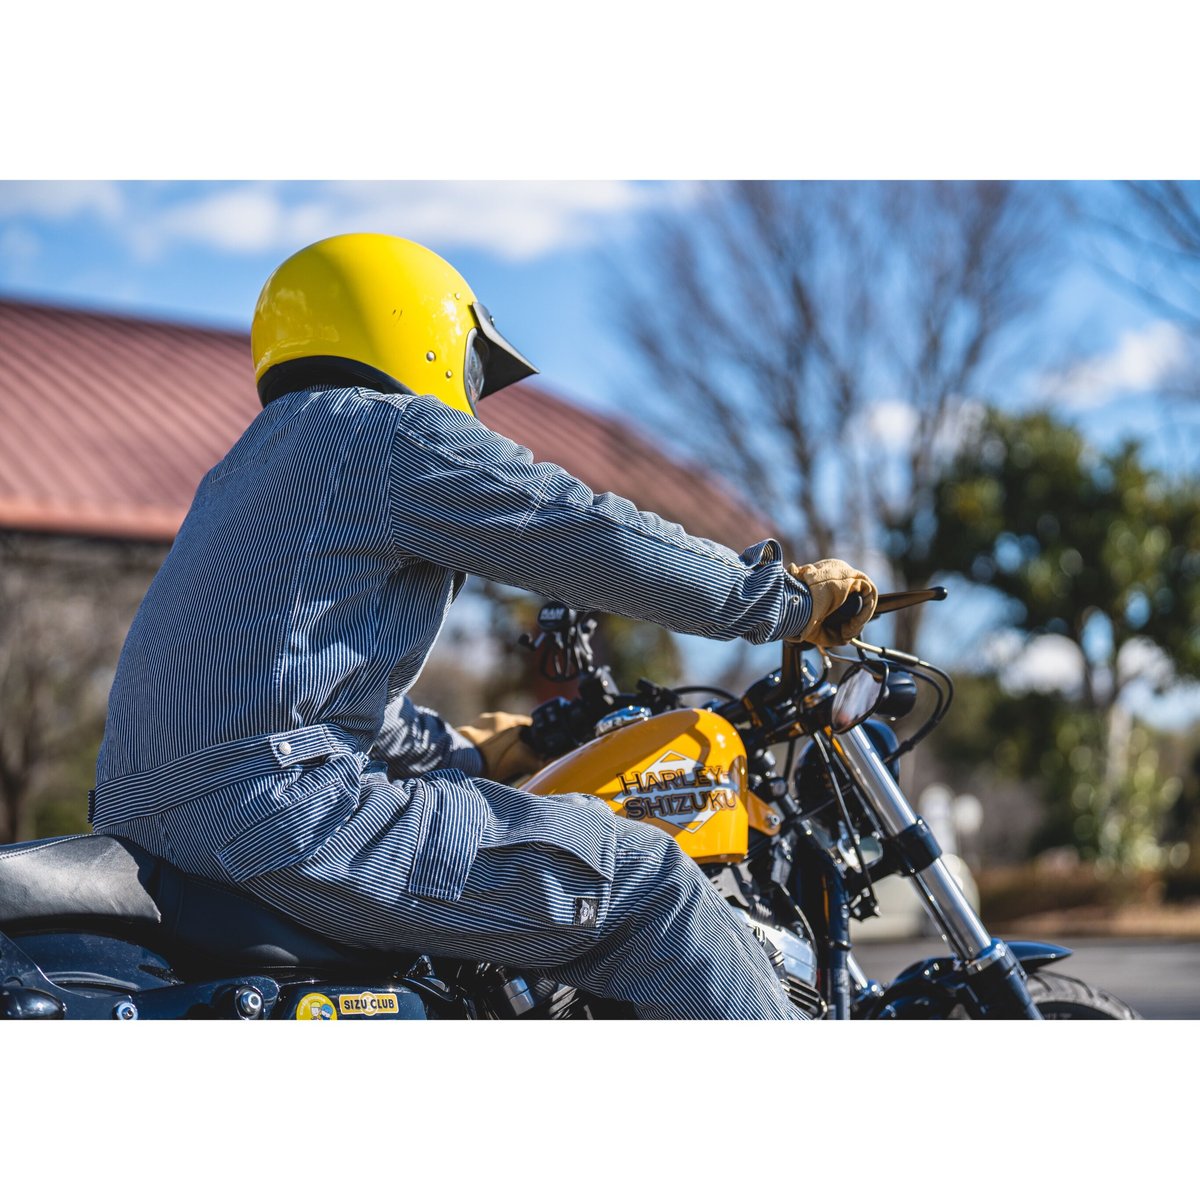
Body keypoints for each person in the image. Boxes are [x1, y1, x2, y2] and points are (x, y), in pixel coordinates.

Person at [90, 233, 877, 1019]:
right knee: (650, 879)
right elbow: (580, 529)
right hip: (284, 815)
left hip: (146, 821)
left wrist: (476, 750)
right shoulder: (383, 433)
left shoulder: (243, 470)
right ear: (417, 327)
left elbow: (286, 687)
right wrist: (780, 600)